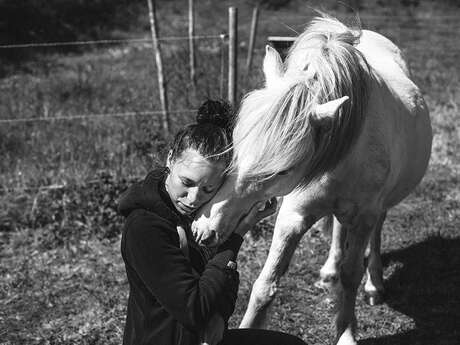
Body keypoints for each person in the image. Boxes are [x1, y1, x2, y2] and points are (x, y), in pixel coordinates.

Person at [118, 99, 307, 345]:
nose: (194, 198)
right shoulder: (144, 227)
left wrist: (218, 317)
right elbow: (193, 309)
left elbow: (225, 284)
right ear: (170, 159)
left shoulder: (201, 216)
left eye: (208, 188)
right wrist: (237, 236)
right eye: (187, 183)